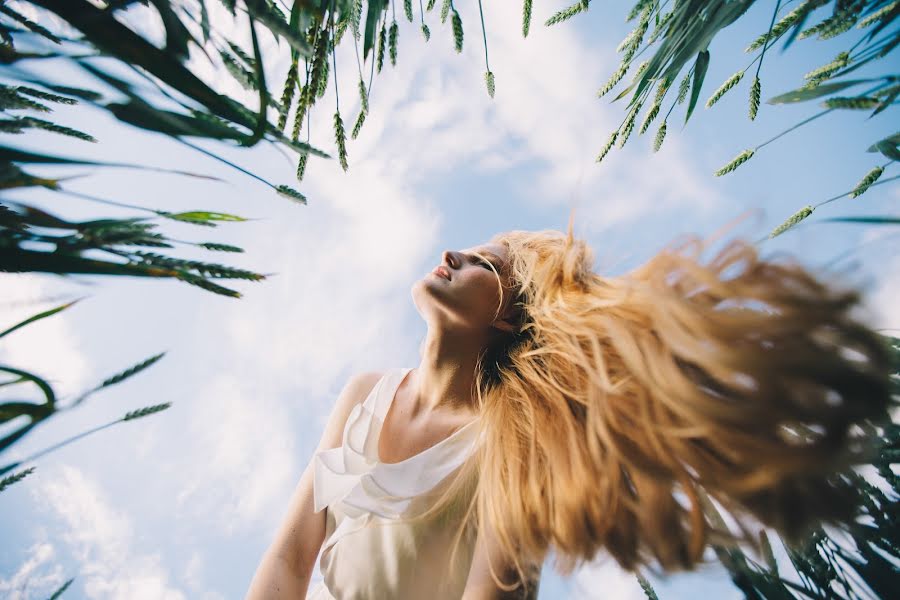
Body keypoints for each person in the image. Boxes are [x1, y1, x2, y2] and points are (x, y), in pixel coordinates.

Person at [245, 217, 894, 599]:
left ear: (505, 319)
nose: (451, 256)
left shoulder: (517, 444)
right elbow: (290, 556)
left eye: (482, 265)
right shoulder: (365, 393)